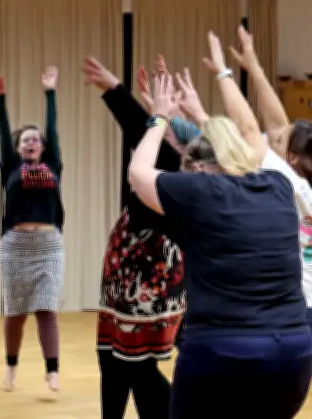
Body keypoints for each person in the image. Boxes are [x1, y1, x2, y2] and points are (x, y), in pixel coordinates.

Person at [128, 51, 312, 418]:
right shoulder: (277, 185)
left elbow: (139, 174)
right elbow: (224, 153)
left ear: (199, 168)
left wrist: (159, 118)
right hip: (293, 353)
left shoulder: (199, 193)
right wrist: (196, 117)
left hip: (223, 352)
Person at [82, 56, 193, 419]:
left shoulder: (171, 177)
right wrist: (155, 110)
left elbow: (147, 137)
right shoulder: (167, 164)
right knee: (115, 361)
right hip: (127, 283)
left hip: (147, 284)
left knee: (134, 368)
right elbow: (147, 135)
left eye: (165, 126)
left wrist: (117, 91)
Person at [223, 25, 312, 373]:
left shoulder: (286, 182)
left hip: (292, 322)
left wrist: (224, 73)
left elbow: (247, 128)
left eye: (279, 140)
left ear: (291, 157)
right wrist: (254, 66)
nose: (272, 135)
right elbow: (278, 124)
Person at [0, 66, 64, 392]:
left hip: (48, 245)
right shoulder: (10, 165)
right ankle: (10, 367)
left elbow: (53, 128)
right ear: (18, 147)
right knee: (17, 311)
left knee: (46, 309)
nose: (32, 142)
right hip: (16, 245)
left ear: (43, 148)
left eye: (36, 139)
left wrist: (50, 92)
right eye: (25, 140)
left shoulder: (52, 165)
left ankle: (52, 371)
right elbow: (3, 130)